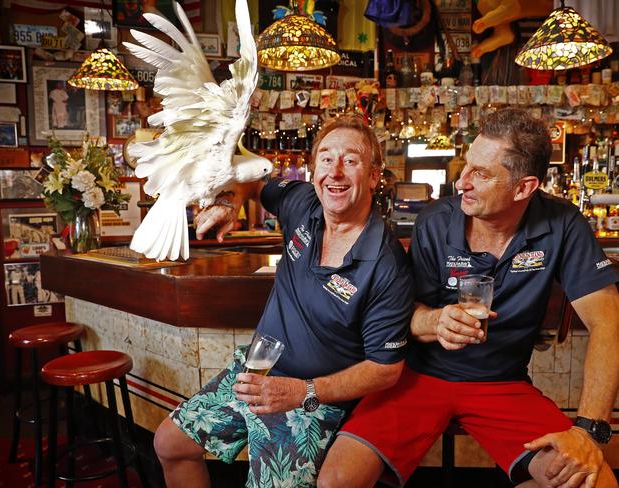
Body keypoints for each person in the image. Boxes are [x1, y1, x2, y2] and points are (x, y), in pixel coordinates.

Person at [319, 108, 619, 488]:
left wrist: (589, 429)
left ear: (523, 187)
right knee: (337, 479)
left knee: (594, 481)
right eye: (466, 167)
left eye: (481, 173)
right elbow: (401, 312)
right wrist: (434, 321)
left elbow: (608, 320)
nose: (461, 182)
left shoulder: (562, 223)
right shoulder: (435, 220)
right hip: (419, 377)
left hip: (502, 383)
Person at [152, 114, 415, 487]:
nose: (335, 172)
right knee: (171, 443)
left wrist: (302, 391)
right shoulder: (303, 204)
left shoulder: (387, 264)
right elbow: (253, 182)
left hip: (313, 397)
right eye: (326, 159)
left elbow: (385, 369)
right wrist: (231, 202)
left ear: (374, 176)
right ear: (313, 171)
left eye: (351, 160)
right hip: (257, 369)